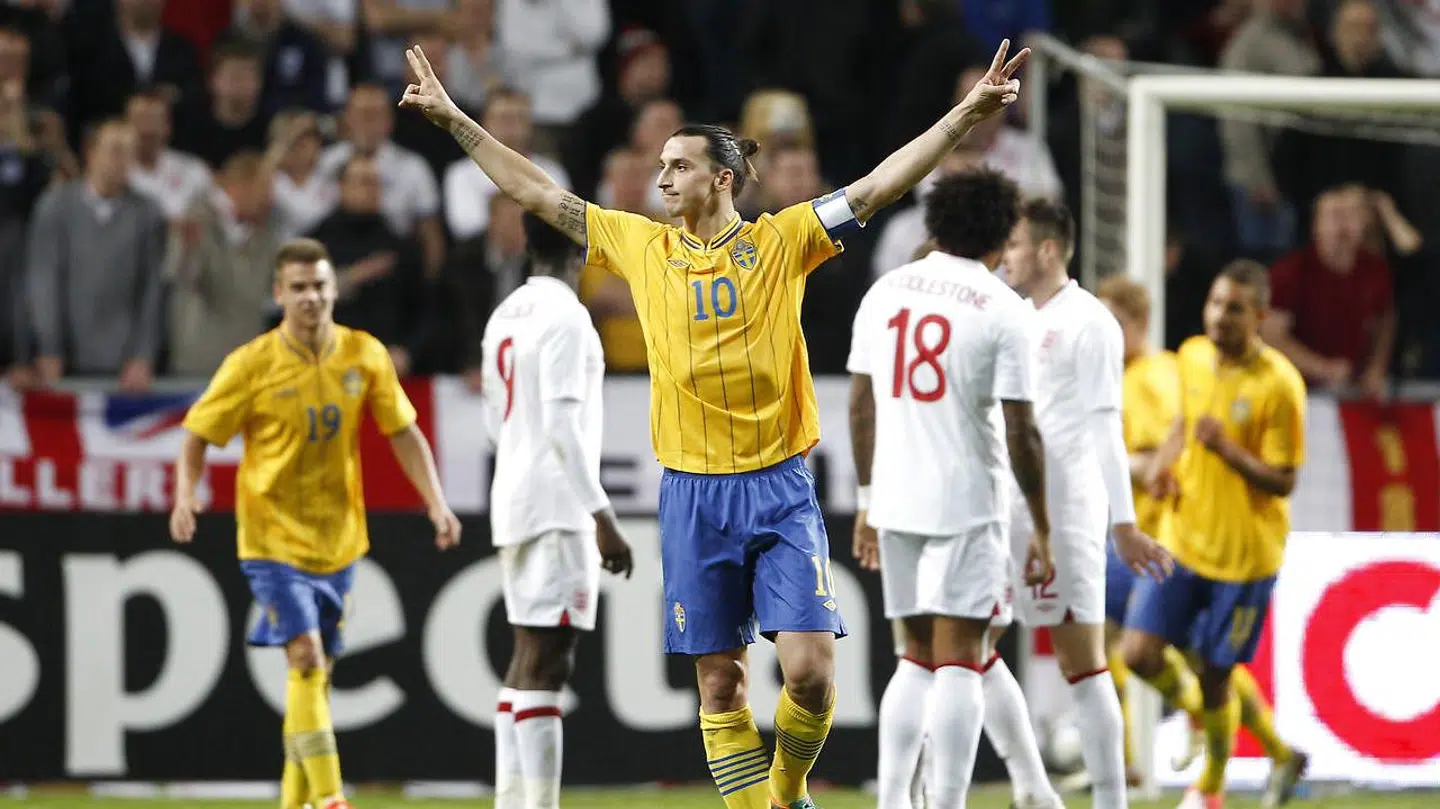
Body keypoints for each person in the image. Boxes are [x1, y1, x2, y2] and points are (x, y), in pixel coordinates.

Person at [400, 37, 1029, 809]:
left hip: (780, 486)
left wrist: (966, 114)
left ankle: (785, 788)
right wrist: (454, 121)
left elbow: (877, 187)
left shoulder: (782, 240)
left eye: (678, 165)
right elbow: (536, 192)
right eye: (660, 166)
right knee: (720, 681)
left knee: (809, 671)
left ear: (722, 178)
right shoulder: (641, 245)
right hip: (692, 493)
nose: (662, 177)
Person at [168, 238, 462, 809]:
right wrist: (186, 494)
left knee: (314, 677)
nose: (311, 297)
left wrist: (435, 501)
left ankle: (292, 803)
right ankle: (331, 799)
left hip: (339, 540)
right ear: (279, 294)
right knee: (304, 655)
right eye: (298, 288)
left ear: (334, 290)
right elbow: (197, 435)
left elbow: (402, 431)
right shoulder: (250, 364)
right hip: (271, 538)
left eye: (320, 286)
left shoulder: (363, 355)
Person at [846, 168, 1055, 809]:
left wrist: (866, 501)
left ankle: (892, 801)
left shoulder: (886, 291)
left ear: (934, 225)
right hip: (967, 500)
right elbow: (1022, 433)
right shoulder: (1003, 309)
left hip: (897, 497)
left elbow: (860, 405)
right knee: (962, 656)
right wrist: (1043, 526)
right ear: (1000, 237)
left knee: (913, 656)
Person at [998, 198, 1173, 809]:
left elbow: (1104, 427)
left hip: (1068, 512)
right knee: (967, 648)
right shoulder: (1016, 316)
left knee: (1084, 661)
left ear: (1047, 250)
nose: (1007, 255)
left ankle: (1108, 799)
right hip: (1011, 510)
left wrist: (1123, 525)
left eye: (1016, 245)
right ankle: (1031, 787)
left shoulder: (1090, 322)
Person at [1123, 260, 1309, 809]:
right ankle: (1199, 723)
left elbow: (1284, 480)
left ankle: (1211, 786)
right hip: (1182, 541)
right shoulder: (1192, 356)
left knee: (1217, 674)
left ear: (1259, 315)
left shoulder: (1280, 385)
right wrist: (1163, 464)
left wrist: (1226, 448)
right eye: (1213, 302)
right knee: (1137, 651)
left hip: (1246, 556)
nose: (1218, 316)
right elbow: (1184, 421)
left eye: (1233, 307)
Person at [481, 214, 636, 809]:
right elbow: (565, 428)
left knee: (525, 657)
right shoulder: (569, 319)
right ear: (583, 248)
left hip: (514, 496)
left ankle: (510, 800)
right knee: (549, 663)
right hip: (557, 505)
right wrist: (604, 519)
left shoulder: (507, 313)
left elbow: (497, 424)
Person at [1094, 274, 1195, 785]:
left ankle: (1199, 719)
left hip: (1160, 537)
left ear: (1139, 325)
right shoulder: (1136, 373)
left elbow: (1161, 458)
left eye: (1114, 323)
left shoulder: (1151, 377)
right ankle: (1127, 764)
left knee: (1142, 650)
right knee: (1104, 645)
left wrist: (1111, 462)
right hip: (1130, 536)